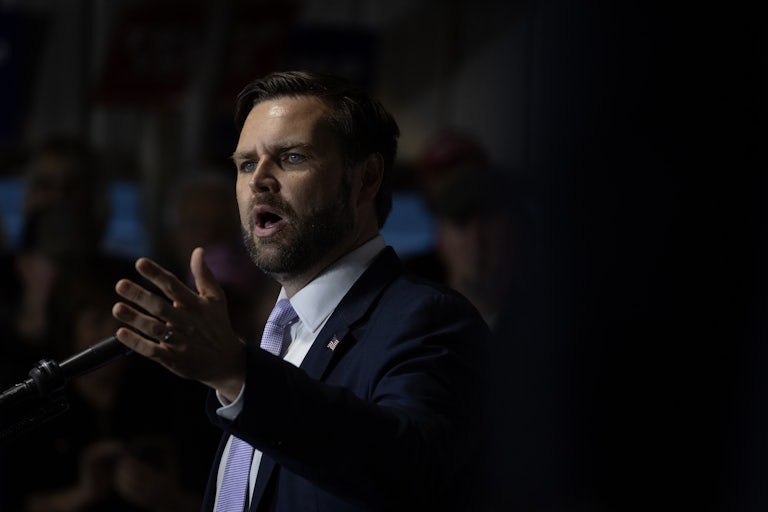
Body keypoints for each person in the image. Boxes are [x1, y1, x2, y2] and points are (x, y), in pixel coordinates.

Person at [111, 71, 491, 511]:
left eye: (291, 158)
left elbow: (409, 467)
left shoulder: (428, 320)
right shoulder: (277, 338)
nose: (258, 181)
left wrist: (239, 374)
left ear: (366, 179)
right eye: (247, 164)